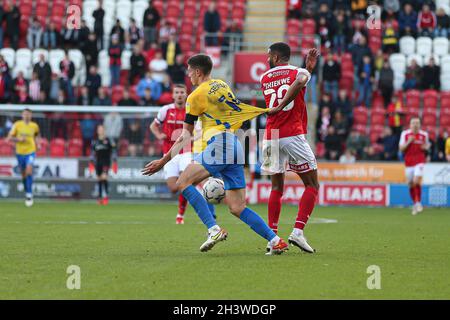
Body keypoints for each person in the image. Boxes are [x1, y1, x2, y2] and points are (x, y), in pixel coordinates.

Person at [142, 54, 289, 254]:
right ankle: (275, 240)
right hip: (235, 144)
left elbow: (185, 136)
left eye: (189, 70)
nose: (188, 74)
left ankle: (214, 229)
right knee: (237, 207)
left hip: (220, 145)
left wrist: (163, 161)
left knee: (183, 181)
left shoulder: (195, 96)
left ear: (197, 72)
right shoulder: (221, 84)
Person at [260, 43, 320, 254]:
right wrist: (308, 70)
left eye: (269, 55)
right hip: (292, 133)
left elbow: (293, 85)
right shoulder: (299, 72)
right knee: (312, 184)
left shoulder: (264, 78)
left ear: (276, 57)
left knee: (276, 187)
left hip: (270, 136)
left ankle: (273, 239)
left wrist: (309, 70)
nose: (267, 59)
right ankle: (298, 232)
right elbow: (298, 83)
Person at [149, 85, 205, 224]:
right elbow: (153, 125)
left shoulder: (191, 110)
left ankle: (180, 214)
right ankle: (199, 186)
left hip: (186, 151)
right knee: (174, 188)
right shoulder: (165, 110)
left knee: (185, 182)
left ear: (186, 94)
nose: (179, 95)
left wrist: (191, 138)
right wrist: (158, 134)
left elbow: (200, 131)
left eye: (182, 92)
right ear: (172, 95)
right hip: (169, 153)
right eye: (177, 92)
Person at [6, 109, 40, 207]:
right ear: (22, 115)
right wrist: (18, 139)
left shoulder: (34, 126)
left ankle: (29, 195)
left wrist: (38, 143)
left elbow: (37, 136)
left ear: (31, 115)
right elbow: (8, 138)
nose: (27, 116)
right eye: (25, 114)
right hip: (20, 153)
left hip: (31, 152)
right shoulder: (17, 125)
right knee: (24, 174)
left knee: (29, 170)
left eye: (28, 114)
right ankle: (27, 190)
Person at [399, 118, 430, 215]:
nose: (415, 125)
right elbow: (401, 149)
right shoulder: (405, 134)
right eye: (413, 123)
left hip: (420, 161)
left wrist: (426, 148)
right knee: (410, 183)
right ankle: (416, 203)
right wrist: (409, 141)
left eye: (417, 123)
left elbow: (427, 146)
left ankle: (418, 203)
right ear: (410, 125)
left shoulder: (424, 135)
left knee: (416, 181)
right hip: (409, 162)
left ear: (420, 125)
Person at [89, 124, 117, 205]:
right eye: (99, 129)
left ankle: (106, 197)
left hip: (106, 162)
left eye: (102, 129)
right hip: (98, 162)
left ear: (104, 130)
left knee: (104, 178)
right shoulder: (95, 141)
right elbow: (92, 153)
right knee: (99, 179)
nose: (100, 131)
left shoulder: (109, 140)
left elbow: (114, 150)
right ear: (97, 131)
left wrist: (114, 160)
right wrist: (91, 161)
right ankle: (100, 197)